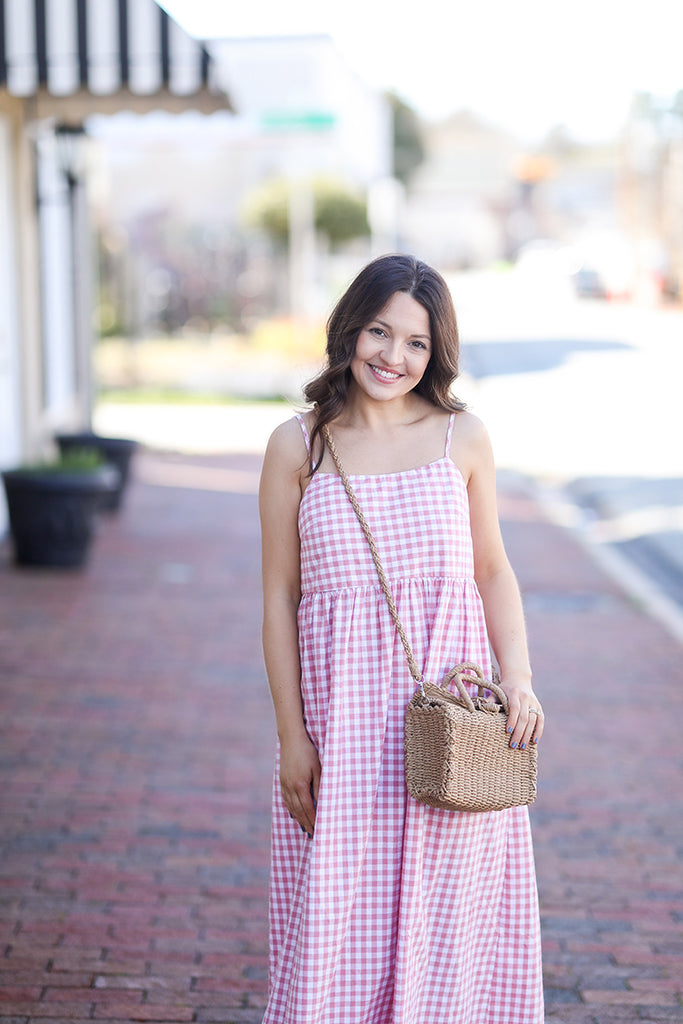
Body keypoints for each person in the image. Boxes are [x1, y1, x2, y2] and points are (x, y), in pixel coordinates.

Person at [259, 254, 544, 1023]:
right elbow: (279, 598)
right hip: (343, 730)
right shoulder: (299, 445)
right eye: (379, 332)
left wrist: (516, 676)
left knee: (450, 925)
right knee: (340, 928)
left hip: (451, 732)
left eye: (415, 342)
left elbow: (492, 571)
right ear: (349, 329)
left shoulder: (462, 438)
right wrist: (293, 738)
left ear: (436, 352)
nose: (393, 356)